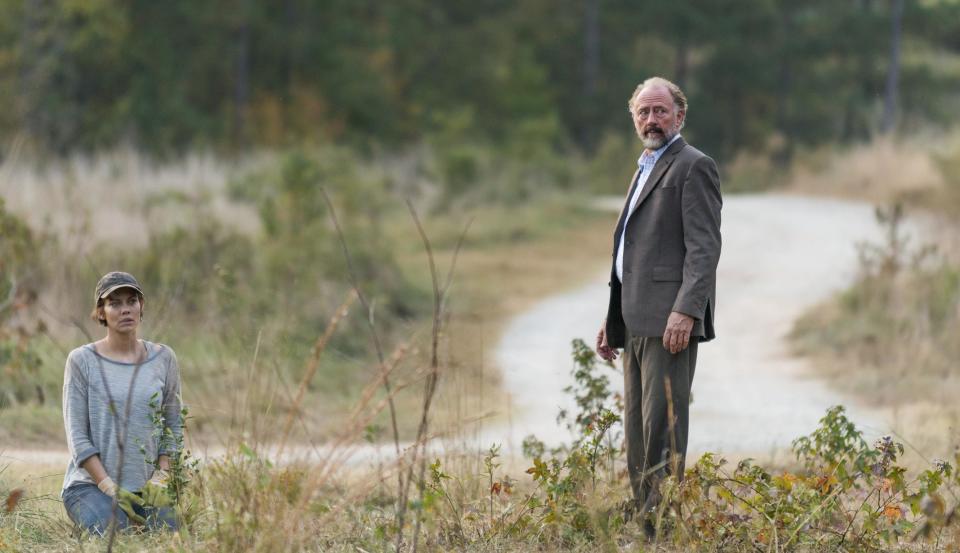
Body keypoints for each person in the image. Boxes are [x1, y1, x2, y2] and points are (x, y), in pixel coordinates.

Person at [595, 77, 722, 534]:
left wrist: (686, 310)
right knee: (637, 433)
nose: (652, 120)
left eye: (660, 111)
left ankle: (664, 530)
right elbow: (633, 251)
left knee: (663, 431)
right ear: (634, 118)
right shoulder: (645, 166)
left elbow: (704, 249)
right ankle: (645, 528)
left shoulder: (694, 166)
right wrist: (613, 319)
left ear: (680, 116)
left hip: (670, 321)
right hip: (635, 320)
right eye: (643, 112)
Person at [61, 271, 182, 535]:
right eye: (114, 303)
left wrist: (162, 477)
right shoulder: (82, 361)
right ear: (101, 313)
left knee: (170, 535)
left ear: (141, 307)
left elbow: (174, 424)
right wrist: (108, 487)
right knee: (117, 533)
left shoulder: (164, 358)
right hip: (91, 487)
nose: (125, 309)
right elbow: (77, 437)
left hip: (147, 488)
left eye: (131, 301)